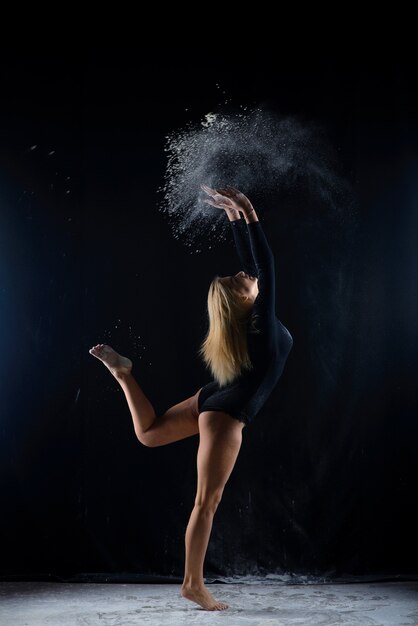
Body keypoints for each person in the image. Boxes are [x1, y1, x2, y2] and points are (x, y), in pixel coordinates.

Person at [88, 186, 293, 611]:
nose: (248, 275)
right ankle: (192, 583)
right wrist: (248, 210)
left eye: (244, 275)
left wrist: (234, 216)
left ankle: (125, 376)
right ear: (245, 300)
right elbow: (266, 266)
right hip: (225, 413)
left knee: (147, 434)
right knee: (206, 503)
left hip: (213, 398)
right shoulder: (263, 329)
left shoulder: (249, 323)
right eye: (243, 280)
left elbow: (256, 265)